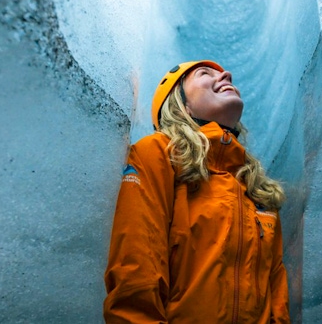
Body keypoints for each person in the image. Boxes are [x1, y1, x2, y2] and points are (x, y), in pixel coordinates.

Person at [103, 60, 290, 323]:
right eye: (205, 73)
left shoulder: (257, 189)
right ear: (182, 105)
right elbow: (136, 269)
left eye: (223, 73)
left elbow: (277, 295)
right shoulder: (158, 155)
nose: (227, 74)